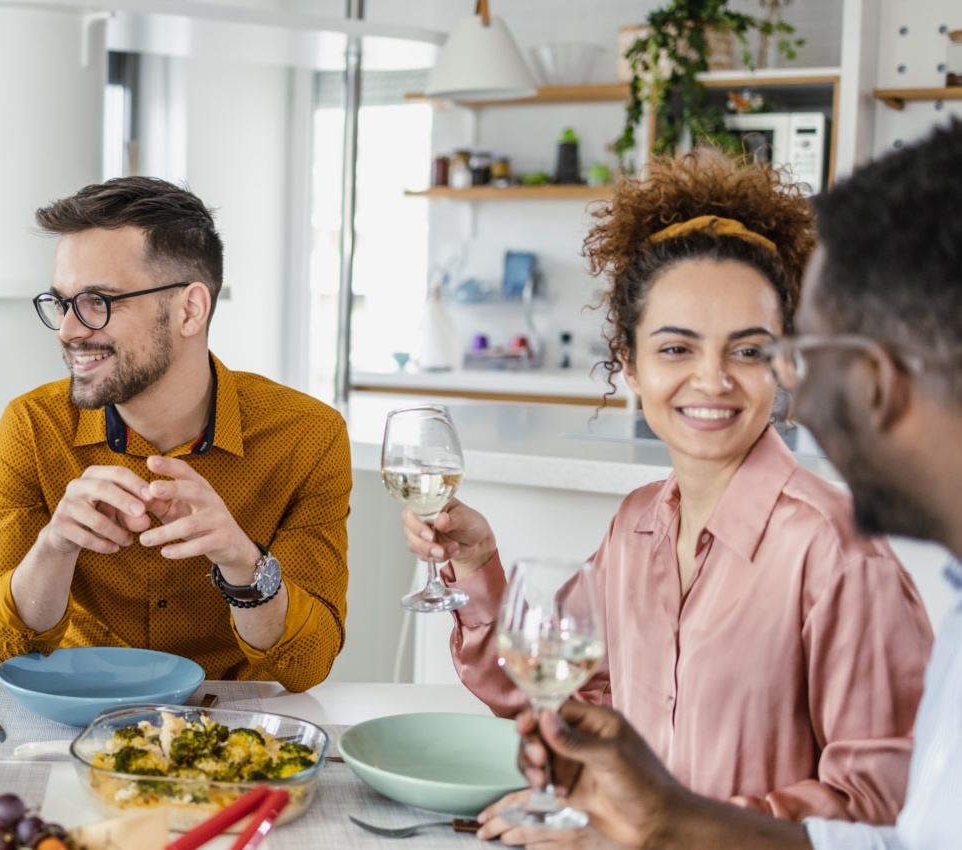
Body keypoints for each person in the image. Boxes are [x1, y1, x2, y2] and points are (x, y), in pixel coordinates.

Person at [400, 151, 933, 835]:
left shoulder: (839, 554)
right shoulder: (635, 528)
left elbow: (881, 811)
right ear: (629, 362)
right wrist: (477, 565)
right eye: (677, 349)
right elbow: (562, 704)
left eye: (748, 350)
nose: (712, 380)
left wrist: (650, 832)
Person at [0, 177, 350, 691]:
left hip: (228, 723)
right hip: (76, 715)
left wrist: (242, 561)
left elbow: (307, 665)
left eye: (98, 301)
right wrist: (54, 547)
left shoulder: (307, 436)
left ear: (190, 309)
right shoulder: (34, 426)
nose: (68, 330)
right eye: (62, 303)